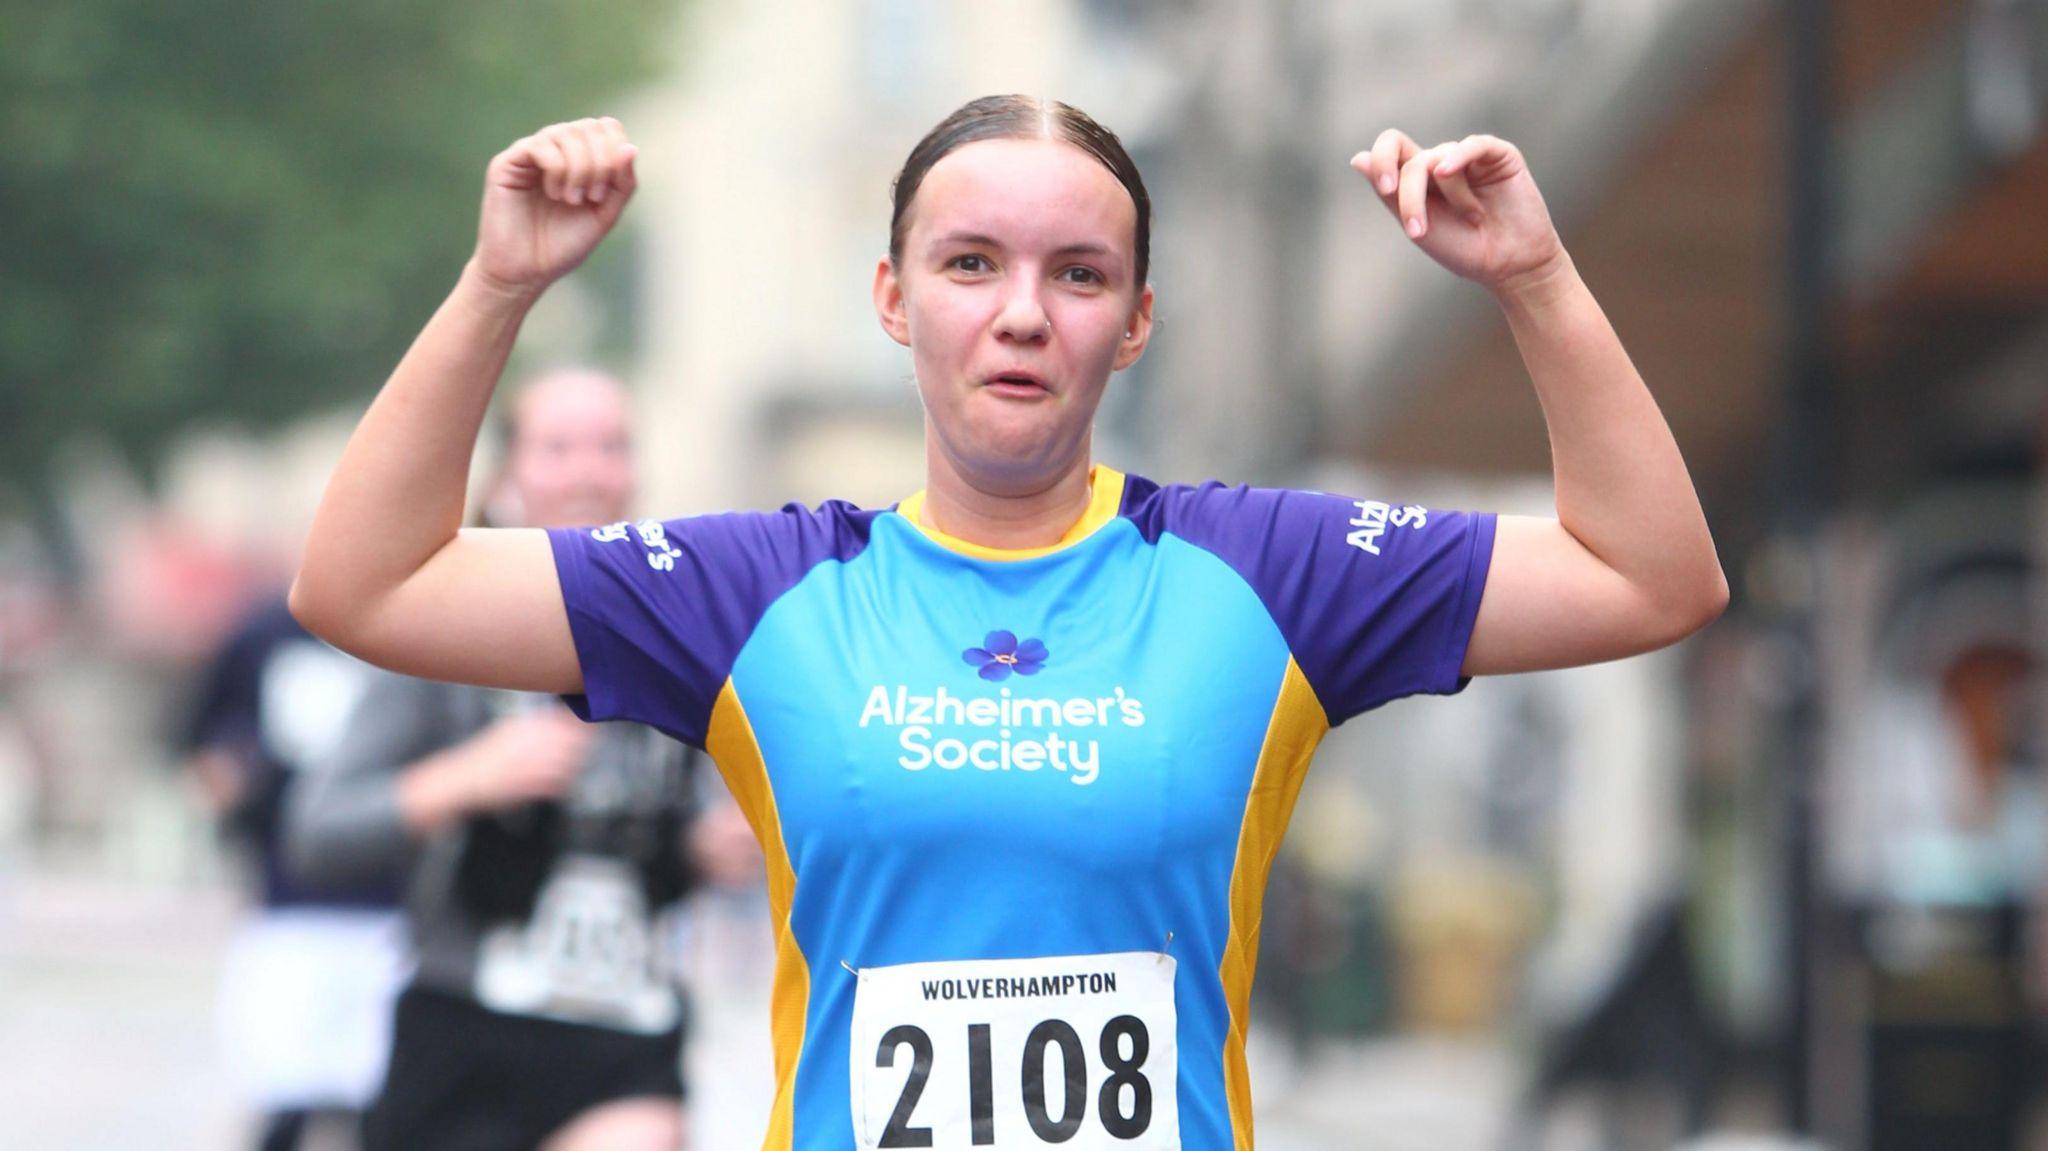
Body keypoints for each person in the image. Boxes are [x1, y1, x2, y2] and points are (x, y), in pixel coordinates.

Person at [290, 97, 1727, 1149]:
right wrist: (503, 284)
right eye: (971, 263)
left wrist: (1535, 281)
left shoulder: (1266, 568)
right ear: (893, 299)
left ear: (1138, 319)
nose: (1023, 314)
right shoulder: (759, 588)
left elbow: (1650, 575)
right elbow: (370, 584)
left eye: (1079, 274)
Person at [287, 368, 754, 1151]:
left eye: (611, 446)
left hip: (628, 1032)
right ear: (509, 471)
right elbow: (317, 834)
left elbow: (709, 812)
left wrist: (712, 844)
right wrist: (465, 778)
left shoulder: (676, 624)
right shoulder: (438, 624)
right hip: (468, 1032)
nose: (589, 471)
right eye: (560, 447)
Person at [179, 592, 407, 1151]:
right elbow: (204, 740)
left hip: (401, 912)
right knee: (286, 1098)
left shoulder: (420, 631)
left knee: (386, 1109)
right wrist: (236, 799)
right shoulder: (262, 633)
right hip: (289, 905)